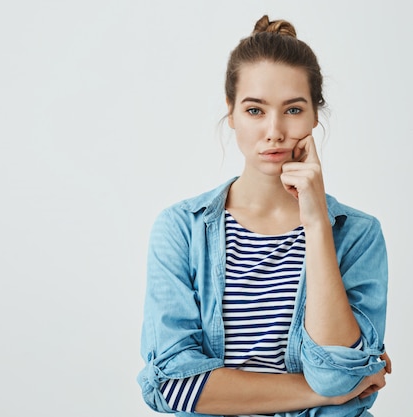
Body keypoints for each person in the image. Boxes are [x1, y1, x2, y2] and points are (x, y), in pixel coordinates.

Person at [137, 15, 391, 417]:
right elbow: (173, 384)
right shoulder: (181, 230)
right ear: (232, 113)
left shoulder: (357, 235)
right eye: (255, 110)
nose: (274, 131)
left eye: (292, 109)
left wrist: (317, 222)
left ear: (314, 117)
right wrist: (326, 395)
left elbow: (335, 374)